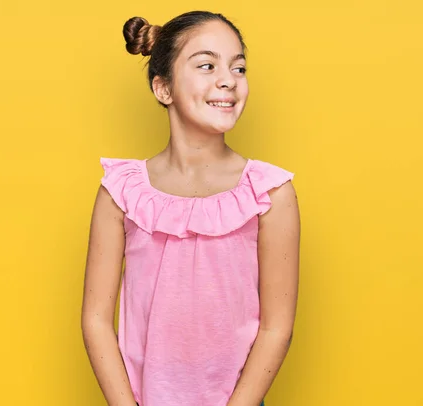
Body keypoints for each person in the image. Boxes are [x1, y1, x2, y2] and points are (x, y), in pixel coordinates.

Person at [81, 10, 300, 406]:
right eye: (206, 65)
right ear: (163, 88)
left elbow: (277, 327)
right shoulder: (121, 192)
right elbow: (96, 320)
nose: (228, 81)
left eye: (239, 67)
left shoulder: (270, 193)